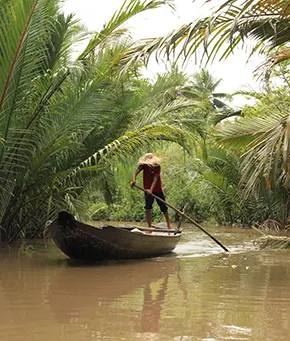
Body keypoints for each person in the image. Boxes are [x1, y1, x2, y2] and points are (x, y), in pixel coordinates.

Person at [130, 153, 173, 229]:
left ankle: (169, 224)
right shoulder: (143, 166)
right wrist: (133, 180)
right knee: (148, 207)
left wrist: (151, 189)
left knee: (163, 207)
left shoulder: (157, 166)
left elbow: (156, 179)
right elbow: (135, 173)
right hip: (147, 190)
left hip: (157, 189)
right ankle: (149, 227)